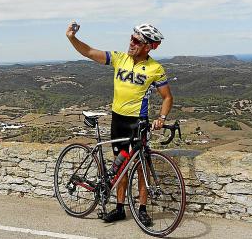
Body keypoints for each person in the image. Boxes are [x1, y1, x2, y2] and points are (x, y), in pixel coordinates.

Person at [66, 22, 173, 226]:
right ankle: (120, 208)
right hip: (118, 121)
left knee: (142, 167)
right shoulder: (119, 58)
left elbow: (167, 97)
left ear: (148, 46)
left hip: (138, 123)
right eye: (131, 38)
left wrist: (162, 118)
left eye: (136, 41)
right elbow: (89, 52)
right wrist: (72, 38)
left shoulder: (155, 68)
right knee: (119, 165)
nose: (130, 43)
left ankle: (142, 209)